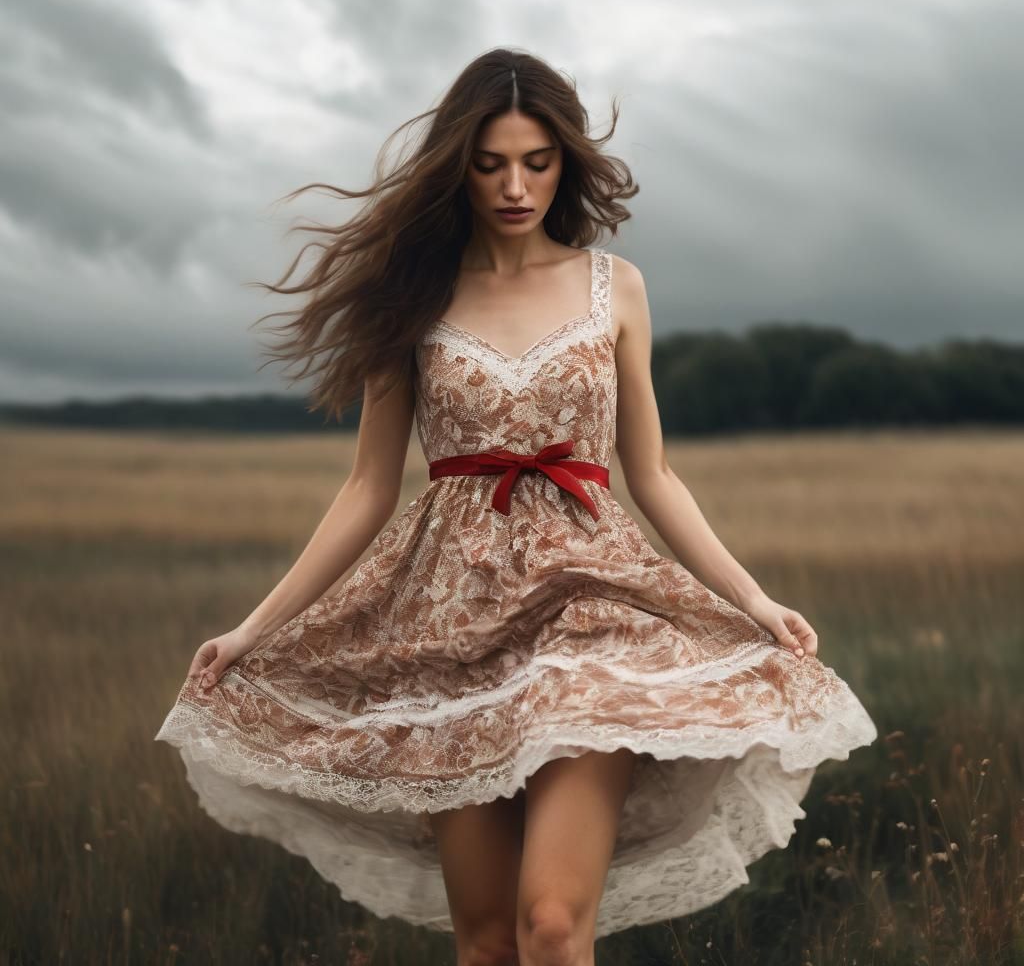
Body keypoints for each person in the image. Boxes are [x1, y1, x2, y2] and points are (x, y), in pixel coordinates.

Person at [155, 47, 877, 965]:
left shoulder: (617, 287)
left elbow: (652, 473)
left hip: (592, 609)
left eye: (536, 162)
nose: (514, 186)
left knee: (552, 924)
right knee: (491, 942)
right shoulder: (410, 298)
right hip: (449, 625)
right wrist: (252, 630)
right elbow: (368, 488)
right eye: (490, 164)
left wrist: (754, 599)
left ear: (564, 162)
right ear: (457, 166)